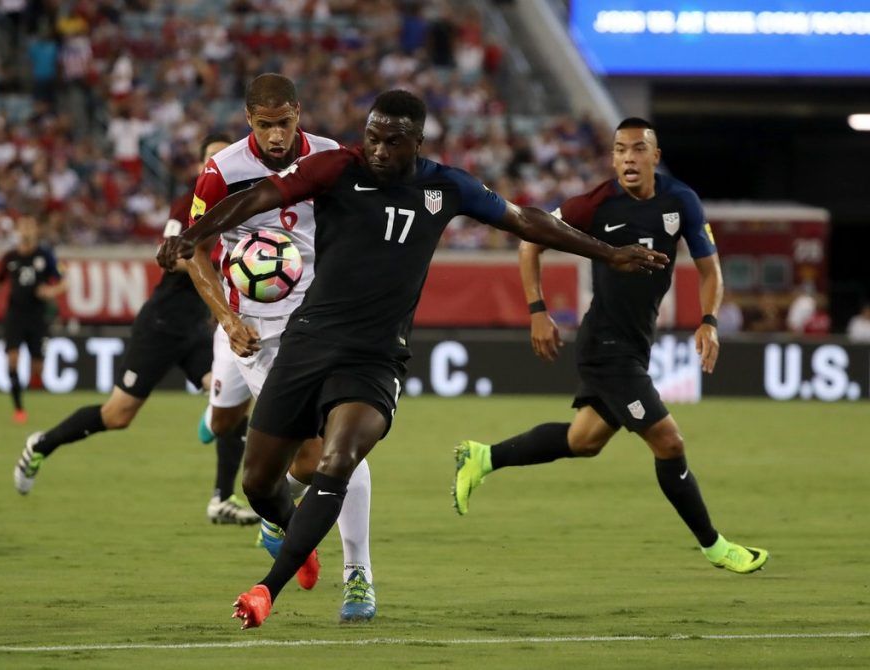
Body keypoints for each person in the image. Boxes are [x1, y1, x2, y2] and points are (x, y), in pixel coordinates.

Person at [157, 90, 666, 628]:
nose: (376, 149)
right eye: (372, 136)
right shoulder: (334, 167)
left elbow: (526, 220)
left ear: (417, 143)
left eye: (391, 141)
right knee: (259, 483)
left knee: (338, 463)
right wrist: (194, 234)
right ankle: (292, 535)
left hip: (375, 359)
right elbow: (260, 197)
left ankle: (281, 587)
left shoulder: (446, 186)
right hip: (308, 343)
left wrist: (608, 253)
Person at [452, 117, 768, 576]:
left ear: (655, 156)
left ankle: (482, 457)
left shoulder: (681, 201)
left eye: (638, 149)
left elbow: (709, 270)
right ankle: (714, 545)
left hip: (636, 345)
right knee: (669, 442)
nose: (627, 158)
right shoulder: (597, 202)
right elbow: (529, 241)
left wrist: (710, 321)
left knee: (584, 440)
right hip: (606, 345)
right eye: (620, 150)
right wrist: (537, 310)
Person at [182, 73, 378, 622]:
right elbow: (192, 251)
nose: (274, 136)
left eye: (283, 123)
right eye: (264, 126)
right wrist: (225, 317)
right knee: (255, 440)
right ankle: (277, 508)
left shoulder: (332, 157)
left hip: (326, 322)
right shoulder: (221, 173)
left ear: (298, 113)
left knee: (342, 451)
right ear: (249, 121)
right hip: (258, 334)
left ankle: (357, 575)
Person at [11, 136, 262, 525]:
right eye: (213, 157)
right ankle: (42, 443)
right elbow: (171, 255)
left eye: (226, 156)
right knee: (118, 415)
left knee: (231, 399)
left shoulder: (242, 207)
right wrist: (213, 267)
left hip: (196, 328)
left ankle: (221, 498)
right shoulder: (190, 204)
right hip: (161, 325)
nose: (221, 163)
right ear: (201, 167)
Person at [0, 215, 66, 423]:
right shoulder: (10, 257)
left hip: (37, 316)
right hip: (15, 315)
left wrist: (50, 291)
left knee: (37, 367)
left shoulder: (45, 255)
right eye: (23, 227)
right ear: (17, 231)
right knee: (13, 358)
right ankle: (18, 408)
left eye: (30, 226)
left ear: (36, 230)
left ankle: (34, 383)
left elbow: (64, 282)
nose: (26, 231)